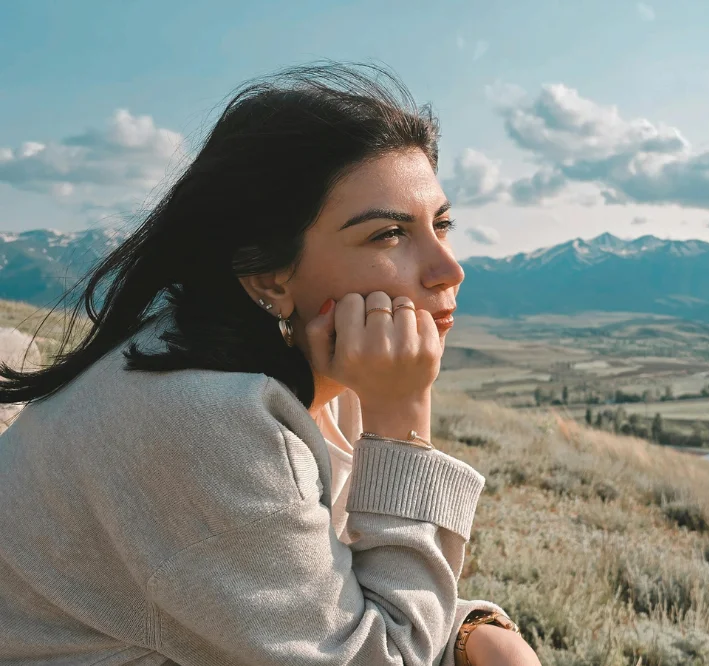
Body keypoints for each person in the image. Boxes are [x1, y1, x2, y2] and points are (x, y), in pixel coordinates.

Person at [0, 62, 540, 666]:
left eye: (442, 224)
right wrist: (405, 425)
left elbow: (316, 597)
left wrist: (472, 630)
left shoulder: (319, 370)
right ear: (268, 275)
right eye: (388, 234)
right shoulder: (207, 424)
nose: (449, 269)